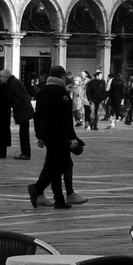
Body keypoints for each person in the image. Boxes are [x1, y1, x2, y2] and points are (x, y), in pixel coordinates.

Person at [27, 66, 81, 210]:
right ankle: (37, 188)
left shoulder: (43, 91)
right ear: (62, 77)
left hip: (47, 132)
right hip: (58, 134)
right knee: (63, 165)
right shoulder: (60, 91)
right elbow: (65, 118)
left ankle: (59, 199)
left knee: (54, 164)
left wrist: (39, 134)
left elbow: (37, 115)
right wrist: (72, 137)